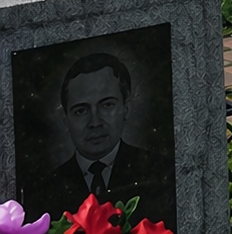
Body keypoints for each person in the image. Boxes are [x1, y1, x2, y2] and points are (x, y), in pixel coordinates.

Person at [24, 53, 174, 226]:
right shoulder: (42, 191)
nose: (95, 123)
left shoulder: (164, 174)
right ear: (66, 120)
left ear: (126, 108)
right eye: (81, 110)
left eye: (107, 105)